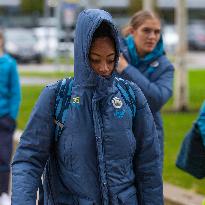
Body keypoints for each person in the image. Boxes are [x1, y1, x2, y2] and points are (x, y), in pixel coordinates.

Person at [12, 9, 163, 205]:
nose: (104, 68)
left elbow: (149, 166)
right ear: (82, 55)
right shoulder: (57, 97)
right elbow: (27, 161)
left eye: (110, 60)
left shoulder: (131, 95)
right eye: (95, 59)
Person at [116, 10, 174, 169]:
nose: (152, 36)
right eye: (146, 30)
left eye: (157, 32)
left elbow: (155, 100)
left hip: (148, 138)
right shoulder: (112, 55)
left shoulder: (165, 66)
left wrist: (126, 69)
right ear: (132, 31)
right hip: (114, 134)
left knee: (148, 188)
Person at [0, 30, 21, 204]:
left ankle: (4, 193)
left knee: (4, 156)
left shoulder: (9, 64)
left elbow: (15, 93)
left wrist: (11, 117)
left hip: (4, 118)